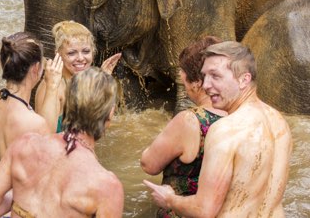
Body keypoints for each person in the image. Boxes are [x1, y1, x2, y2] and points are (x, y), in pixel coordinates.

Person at [144, 41, 292, 217]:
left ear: (244, 79)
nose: (205, 85)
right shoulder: (278, 121)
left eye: (215, 76)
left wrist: (169, 199)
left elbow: (204, 209)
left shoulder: (224, 130)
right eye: (205, 76)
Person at [0, 67, 124, 217]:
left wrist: (23, 195)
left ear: (67, 103)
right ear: (110, 113)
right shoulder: (107, 186)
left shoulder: (24, 145)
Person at [140, 36, 227, 217]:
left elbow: (149, 164)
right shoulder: (240, 115)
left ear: (197, 83)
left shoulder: (190, 121)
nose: (184, 85)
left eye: (184, 79)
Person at [35, 20, 121, 133]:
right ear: (58, 54)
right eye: (71, 53)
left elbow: (100, 127)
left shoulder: (82, 82)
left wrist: (103, 82)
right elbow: (44, 136)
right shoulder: (52, 86)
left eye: (86, 51)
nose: (80, 58)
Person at [0, 32, 49, 173]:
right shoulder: (35, 123)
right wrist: (52, 88)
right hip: (17, 193)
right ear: (36, 69)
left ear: (2, 63)